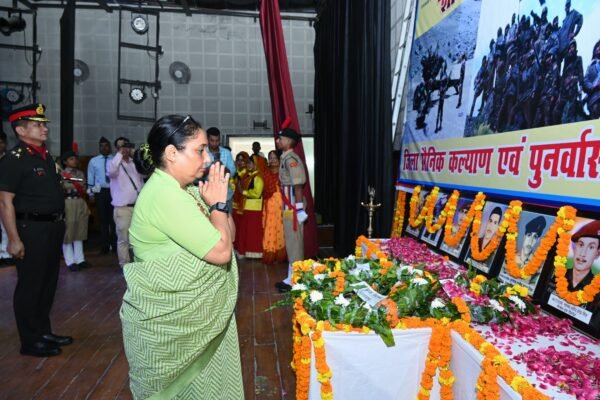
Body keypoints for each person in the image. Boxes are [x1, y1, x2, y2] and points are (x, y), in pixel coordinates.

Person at [121, 114, 242, 399]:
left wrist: (219, 205)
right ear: (172, 153)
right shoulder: (165, 195)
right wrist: (218, 206)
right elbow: (222, 252)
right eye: (200, 150)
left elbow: (228, 236)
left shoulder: (184, 190)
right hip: (169, 331)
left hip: (195, 324)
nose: (207, 158)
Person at [0, 103, 72, 357]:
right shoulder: (14, 160)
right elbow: (4, 202)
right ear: (20, 130)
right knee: (30, 285)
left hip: (52, 227)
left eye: (44, 124)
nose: (44, 128)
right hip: (30, 229)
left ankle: (43, 331)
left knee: (48, 283)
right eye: (37, 125)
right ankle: (30, 341)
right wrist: (13, 239)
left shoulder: (45, 157)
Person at [274, 128, 308, 293]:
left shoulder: (291, 159)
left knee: (295, 243)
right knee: (291, 242)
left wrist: (299, 209)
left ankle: (297, 280)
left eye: (280, 139)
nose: (278, 141)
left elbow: (298, 185)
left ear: (288, 141)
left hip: (294, 207)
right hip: (289, 207)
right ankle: (291, 277)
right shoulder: (285, 158)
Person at [107, 137, 144, 268]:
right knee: (123, 239)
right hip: (122, 209)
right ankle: (125, 266)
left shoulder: (134, 163)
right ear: (117, 149)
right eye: (122, 146)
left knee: (138, 238)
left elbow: (144, 174)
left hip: (138, 207)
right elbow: (111, 172)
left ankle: (138, 264)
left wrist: (136, 156)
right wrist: (119, 154)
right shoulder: (113, 163)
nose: (125, 149)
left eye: (126, 146)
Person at [60, 150, 91, 272]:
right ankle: (70, 261)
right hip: (68, 203)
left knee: (80, 230)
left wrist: (73, 185)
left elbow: (84, 186)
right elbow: (62, 188)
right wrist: (75, 184)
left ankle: (80, 259)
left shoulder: (80, 173)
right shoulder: (61, 174)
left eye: (75, 159)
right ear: (65, 162)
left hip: (80, 202)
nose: (74, 161)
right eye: (71, 159)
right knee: (69, 232)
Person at [87, 136, 116, 254]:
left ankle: (114, 245)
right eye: (101, 146)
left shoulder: (115, 159)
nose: (104, 148)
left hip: (114, 191)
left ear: (110, 147)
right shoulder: (94, 161)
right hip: (100, 192)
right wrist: (91, 193)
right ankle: (104, 246)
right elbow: (91, 177)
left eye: (106, 146)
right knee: (103, 220)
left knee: (113, 220)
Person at [262, 150, 286, 264]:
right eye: (270, 158)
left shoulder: (284, 172)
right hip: (269, 204)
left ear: (279, 159)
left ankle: (280, 254)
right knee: (269, 228)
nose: (272, 160)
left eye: (275, 158)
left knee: (281, 228)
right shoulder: (265, 173)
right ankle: (270, 252)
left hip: (282, 204)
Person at [206, 127, 235, 211]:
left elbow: (232, 173)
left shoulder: (226, 152)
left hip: (226, 195)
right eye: (212, 140)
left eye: (217, 140)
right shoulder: (202, 152)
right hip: (207, 195)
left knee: (227, 218)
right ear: (207, 140)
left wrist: (222, 166)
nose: (215, 143)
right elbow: (198, 174)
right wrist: (210, 167)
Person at [568, 220, 600, 291]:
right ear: (574, 247)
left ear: (597, 254)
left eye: (591, 247)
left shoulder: (597, 289)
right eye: (581, 245)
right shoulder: (557, 276)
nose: (582, 254)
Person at [0, 130, 15, 266]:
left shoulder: (10, 158)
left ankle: (5, 253)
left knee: (6, 226)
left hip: (5, 197)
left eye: (2, 142)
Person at [583, 40, 600, 119]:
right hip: (594, 99)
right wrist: (593, 86)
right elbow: (585, 81)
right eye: (598, 46)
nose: (599, 48)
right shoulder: (590, 67)